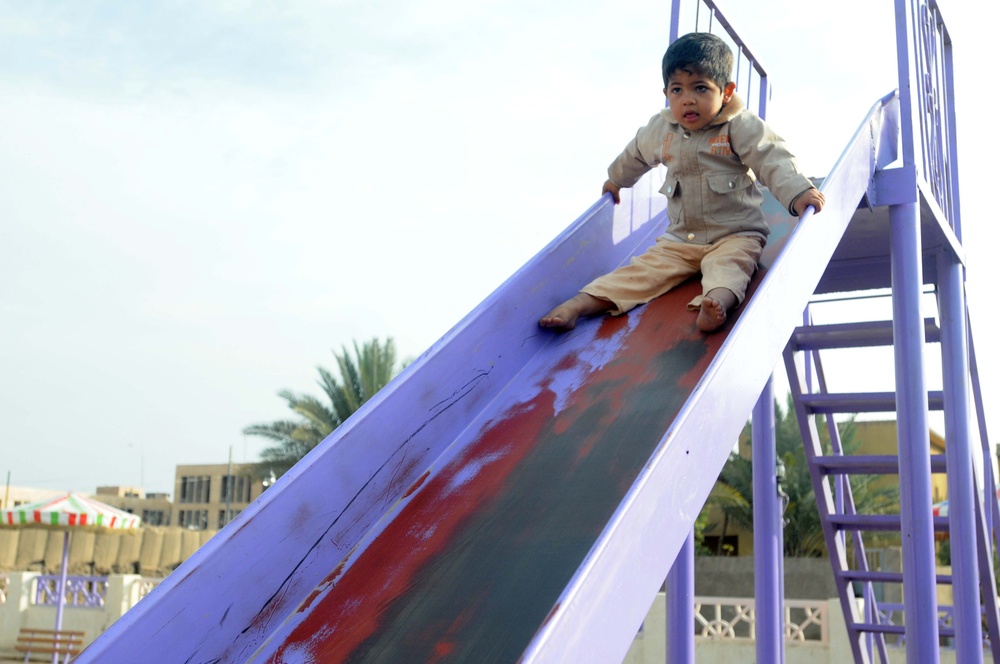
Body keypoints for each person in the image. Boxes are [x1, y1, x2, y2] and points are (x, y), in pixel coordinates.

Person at [539, 32, 825, 333]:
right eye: (677, 90)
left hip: (735, 234)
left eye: (700, 88)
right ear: (666, 93)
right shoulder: (662, 129)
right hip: (680, 240)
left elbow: (772, 157)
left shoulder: (739, 126)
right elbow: (635, 154)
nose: (687, 99)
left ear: (726, 92)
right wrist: (616, 179)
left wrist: (798, 191)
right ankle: (580, 305)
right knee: (639, 273)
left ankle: (714, 304)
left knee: (731, 268)